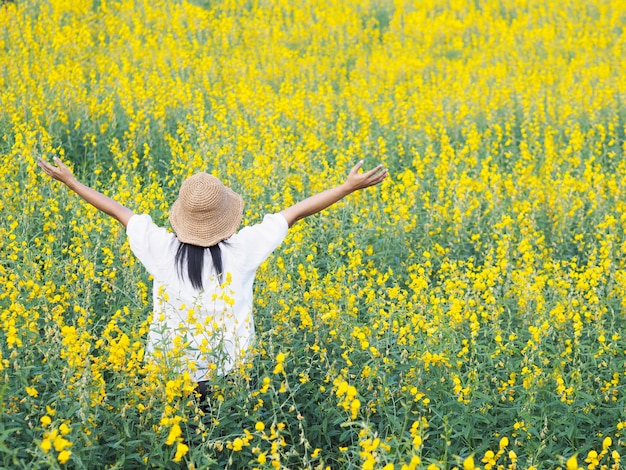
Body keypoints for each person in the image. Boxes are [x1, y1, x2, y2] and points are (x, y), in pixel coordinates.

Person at [38, 156, 387, 399]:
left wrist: (70, 180)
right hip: (230, 379)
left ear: (181, 215)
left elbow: (117, 210)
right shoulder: (244, 250)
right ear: (226, 216)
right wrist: (347, 187)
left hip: (169, 376)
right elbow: (296, 212)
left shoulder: (160, 249)